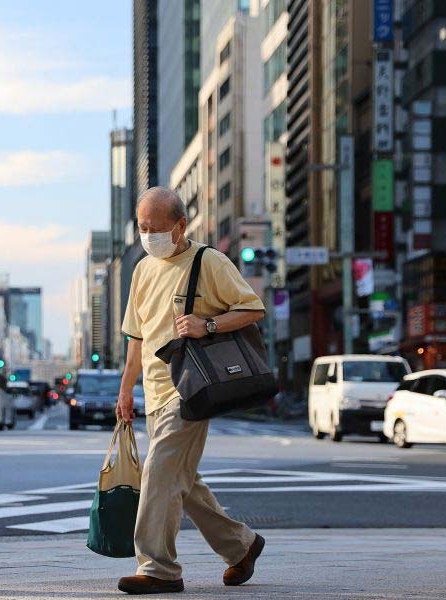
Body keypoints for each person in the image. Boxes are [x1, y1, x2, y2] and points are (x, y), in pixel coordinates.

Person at [116, 187, 267, 595]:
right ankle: (242, 546)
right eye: (143, 227)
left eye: (156, 227)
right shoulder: (142, 270)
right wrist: (126, 390)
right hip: (154, 393)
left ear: (180, 225)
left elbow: (253, 308)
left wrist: (208, 325)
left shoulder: (209, 261)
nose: (149, 235)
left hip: (192, 389)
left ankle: (159, 568)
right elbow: (136, 338)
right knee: (181, 480)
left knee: (158, 474)